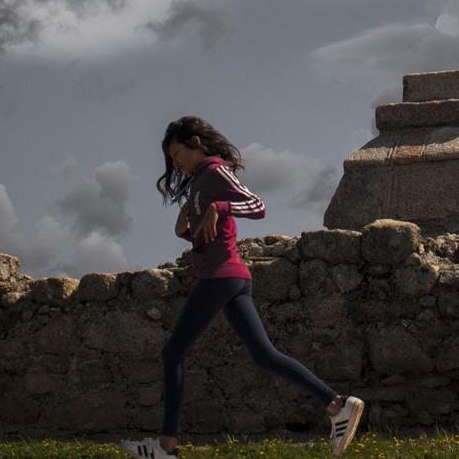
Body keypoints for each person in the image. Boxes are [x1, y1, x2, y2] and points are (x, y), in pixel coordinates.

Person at [121, 115, 364, 458]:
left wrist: (219, 207)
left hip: (221, 277)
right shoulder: (198, 182)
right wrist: (186, 232)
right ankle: (337, 405)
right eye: (171, 160)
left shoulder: (215, 171)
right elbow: (213, 236)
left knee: (173, 352)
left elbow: (257, 206)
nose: (175, 164)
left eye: (178, 154)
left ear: (196, 143)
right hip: (231, 276)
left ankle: (166, 448)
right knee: (265, 355)